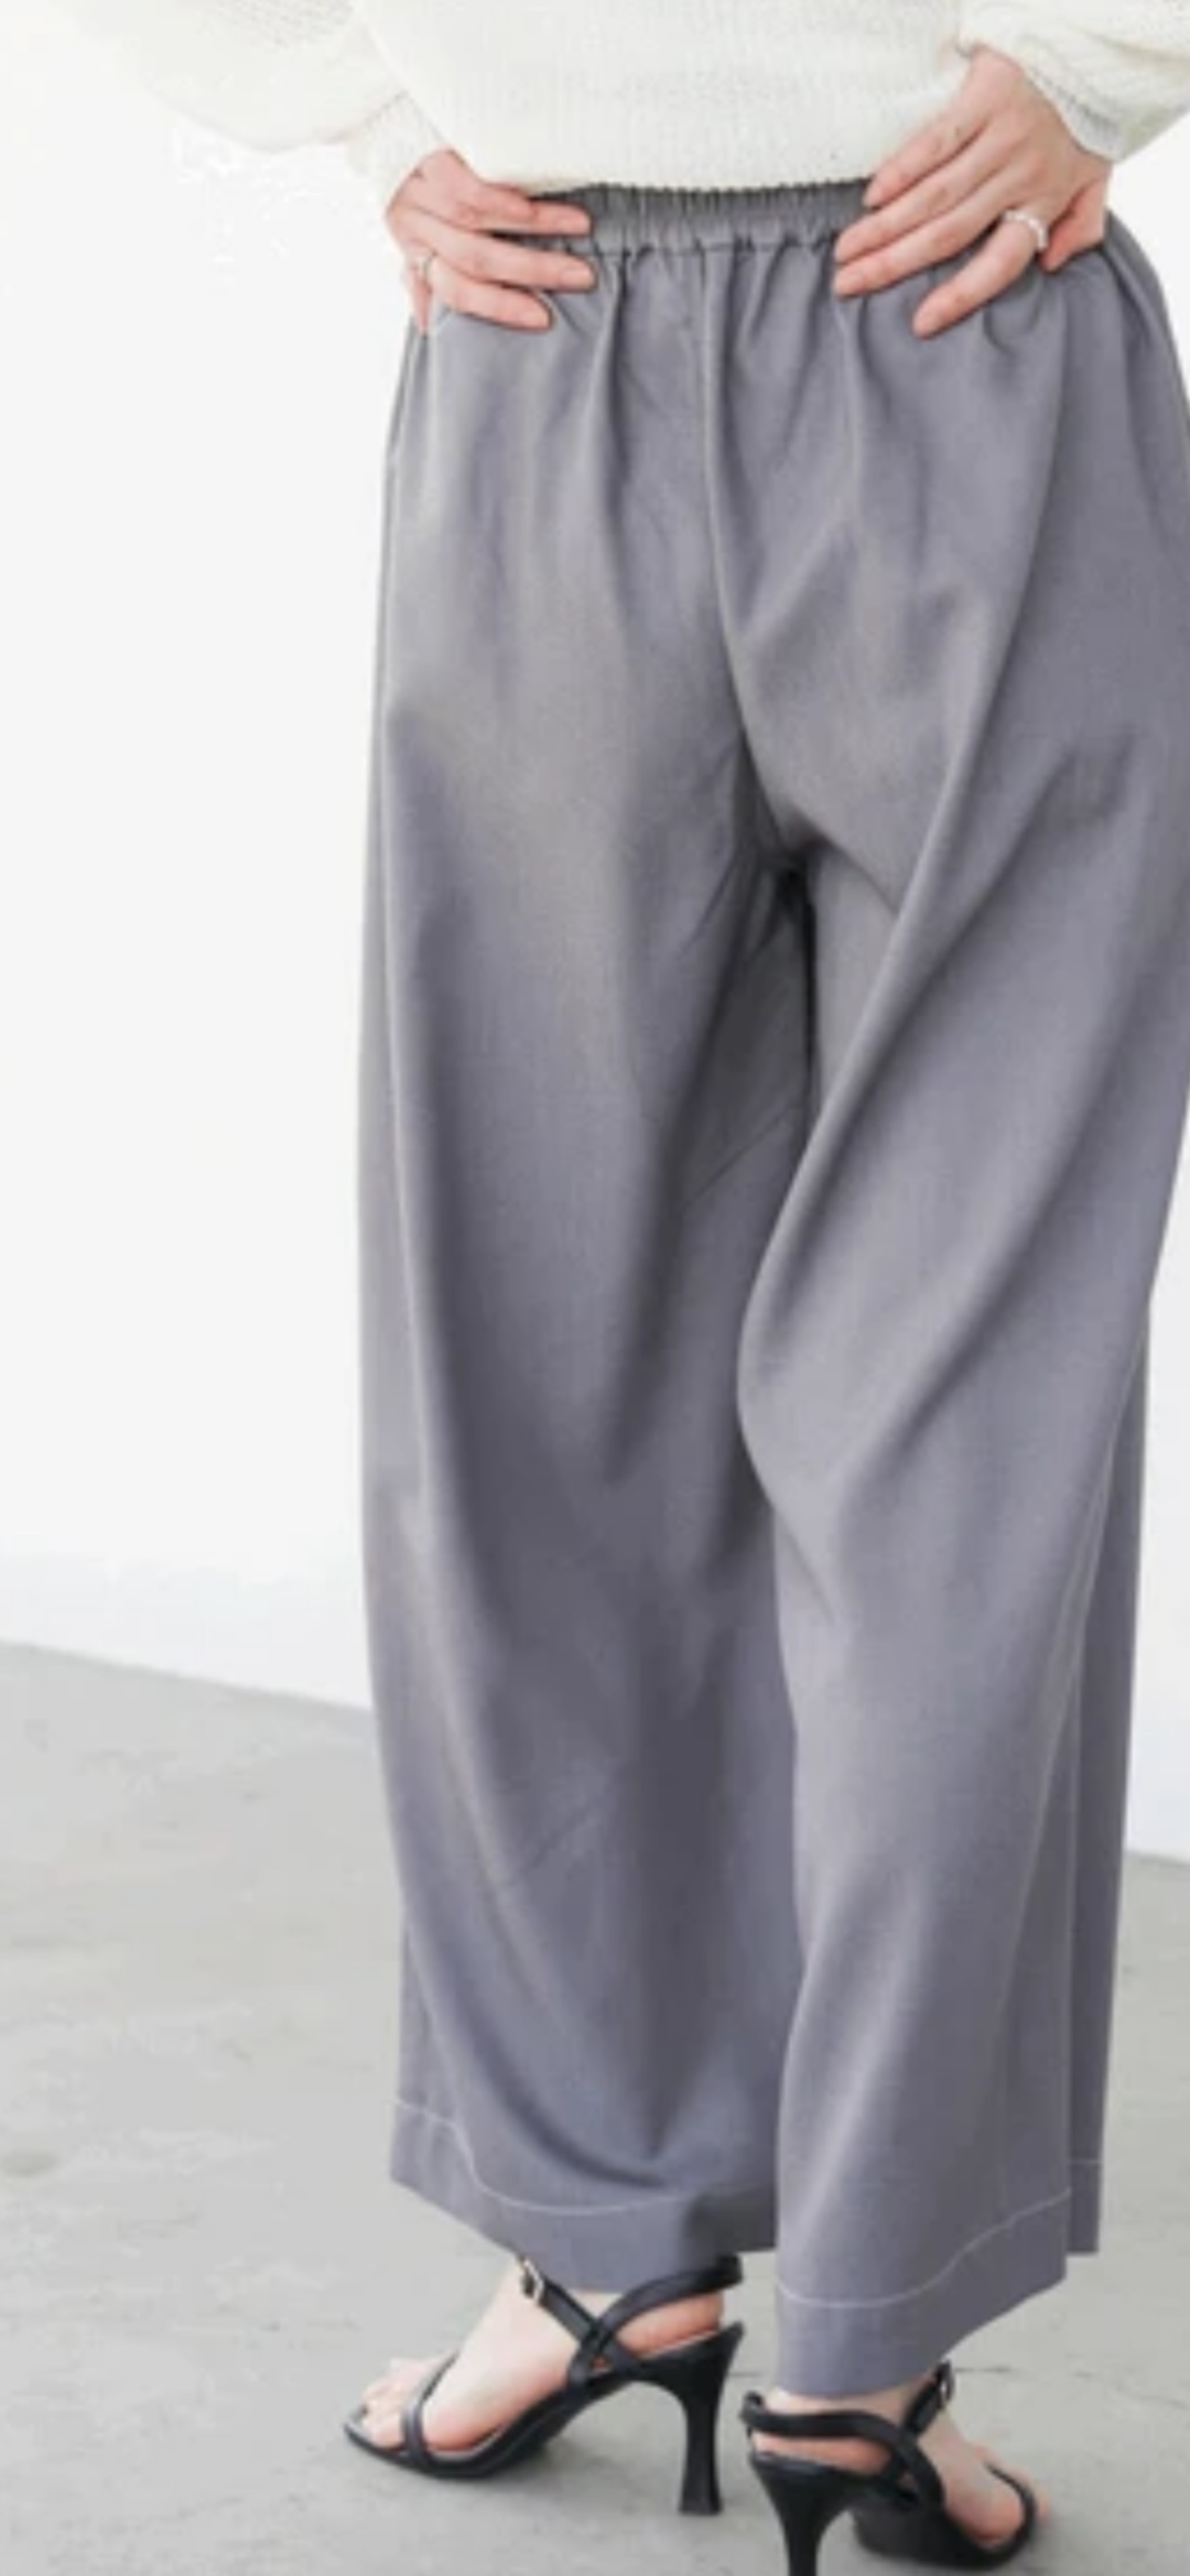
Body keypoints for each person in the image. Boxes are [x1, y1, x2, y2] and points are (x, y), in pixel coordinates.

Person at [56, 7, 1190, 2568]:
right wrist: (1113, 52)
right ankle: (863, 2343)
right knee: (961, 1407)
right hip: (963, 326)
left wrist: (375, 113)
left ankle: (596, 2246)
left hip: (551, 341)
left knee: (534, 1360)